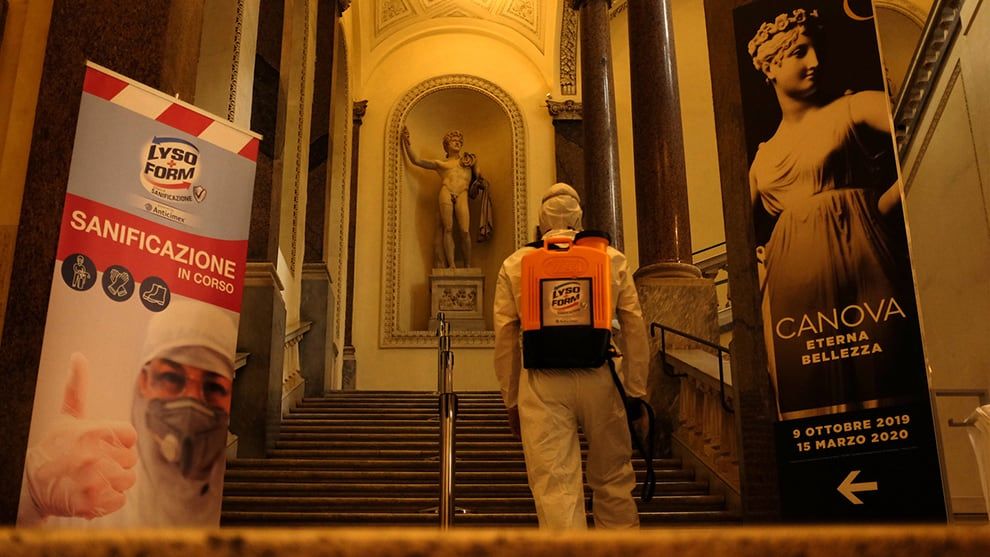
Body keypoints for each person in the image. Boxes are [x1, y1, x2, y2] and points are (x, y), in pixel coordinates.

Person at [746, 7, 926, 417]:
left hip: (867, 256)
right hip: (792, 276)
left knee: (886, 369)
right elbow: (741, 234)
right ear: (771, 67)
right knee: (808, 389)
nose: (815, 62)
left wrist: (880, 206)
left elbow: (920, 131)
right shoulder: (762, 160)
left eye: (816, 50)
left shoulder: (855, 107)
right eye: (800, 53)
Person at [492, 183, 651, 529]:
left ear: (541, 221)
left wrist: (511, 400)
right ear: (579, 218)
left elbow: (505, 339)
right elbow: (635, 327)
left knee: (556, 489)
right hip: (603, 372)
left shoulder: (516, 263)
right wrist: (636, 392)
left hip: (542, 382)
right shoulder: (611, 258)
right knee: (613, 482)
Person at [18, 301, 236, 527]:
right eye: (172, 378)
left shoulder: (229, 499)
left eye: (213, 388)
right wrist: (31, 495)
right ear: (144, 381)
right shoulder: (87, 496)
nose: (191, 401)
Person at [401, 127, 486, 268]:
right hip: (446, 191)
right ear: (447, 145)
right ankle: (451, 264)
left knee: (465, 230)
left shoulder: (469, 161)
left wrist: (477, 170)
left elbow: (479, 176)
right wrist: (406, 142)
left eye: (459, 141)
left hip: (462, 193)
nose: (457, 143)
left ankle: (467, 265)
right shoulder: (441, 164)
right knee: (448, 228)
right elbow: (416, 161)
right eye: (453, 140)